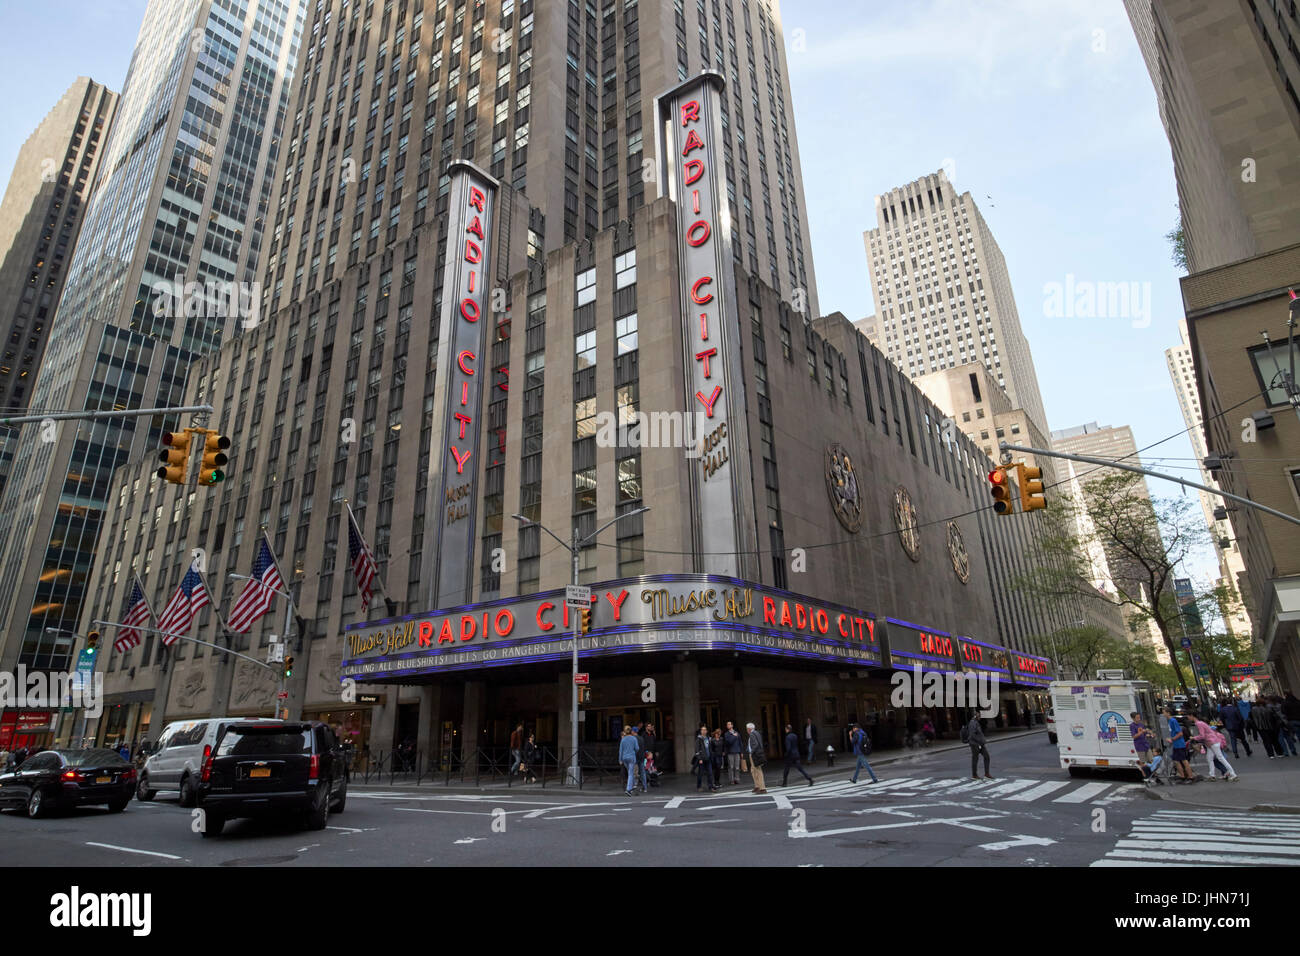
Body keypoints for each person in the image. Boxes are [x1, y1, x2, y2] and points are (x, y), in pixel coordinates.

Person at [1190, 717, 1238, 781]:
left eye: (1188, 716)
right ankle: (1212, 775)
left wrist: (1194, 738)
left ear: (1191, 716)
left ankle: (1233, 774)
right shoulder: (1203, 724)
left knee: (1219, 758)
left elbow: (1202, 736)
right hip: (1212, 743)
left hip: (1212, 743)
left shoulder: (1199, 724)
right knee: (1211, 758)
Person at [1163, 706, 1195, 781]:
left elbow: (1180, 733)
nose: (1163, 714)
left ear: (1168, 713)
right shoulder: (1170, 721)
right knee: (1176, 760)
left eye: (1164, 712)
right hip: (1176, 744)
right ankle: (1182, 775)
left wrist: (1172, 739)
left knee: (1184, 760)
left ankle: (1190, 776)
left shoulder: (1173, 721)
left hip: (1179, 744)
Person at [1130, 712, 1158, 784]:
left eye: (1139, 717)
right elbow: (1134, 736)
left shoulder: (1141, 724)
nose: (1139, 719)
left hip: (1146, 745)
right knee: (1142, 762)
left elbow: (1145, 734)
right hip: (1139, 746)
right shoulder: (1132, 726)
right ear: (1133, 718)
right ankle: (1146, 777)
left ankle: (1154, 776)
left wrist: (1151, 735)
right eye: (1137, 718)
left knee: (1151, 760)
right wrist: (1141, 732)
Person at [967, 712, 992, 780]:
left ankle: (987, 774)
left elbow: (978, 733)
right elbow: (972, 735)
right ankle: (974, 775)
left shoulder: (976, 722)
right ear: (975, 716)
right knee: (975, 759)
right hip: (975, 744)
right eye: (979, 716)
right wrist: (980, 741)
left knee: (987, 756)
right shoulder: (972, 723)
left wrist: (982, 740)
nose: (980, 717)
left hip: (980, 744)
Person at [744, 722, 768, 794]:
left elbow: (755, 745)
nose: (746, 730)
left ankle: (762, 788)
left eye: (747, 729)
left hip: (755, 754)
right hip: (757, 754)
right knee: (753, 770)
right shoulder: (757, 733)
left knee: (757, 770)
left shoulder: (752, 734)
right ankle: (757, 786)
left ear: (749, 729)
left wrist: (752, 752)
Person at [694, 725, 718, 791]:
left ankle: (711, 786)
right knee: (700, 774)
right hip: (702, 759)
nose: (704, 731)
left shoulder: (708, 738)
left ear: (707, 731)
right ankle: (699, 786)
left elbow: (710, 748)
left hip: (708, 758)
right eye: (702, 730)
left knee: (710, 773)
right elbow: (697, 750)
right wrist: (700, 758)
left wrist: (712, 754)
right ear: (701, 731)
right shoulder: (698, 739)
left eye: (705, 730)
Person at [619, 726, 639, 796]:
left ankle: (632, 786)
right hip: (631, 757)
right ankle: (628, 789)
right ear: (631, 731)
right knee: (631, 773)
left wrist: (620, 759)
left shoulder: (623, 739)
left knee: (629, 772)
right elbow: (637, 748)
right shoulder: (634, 738)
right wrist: (633, 751)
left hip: (624, 758)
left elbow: (620, 751)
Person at [724, 720, 742, 785]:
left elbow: (740, 742)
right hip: (730, 752)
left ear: (732, 725)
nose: (728, 726)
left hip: (737, 751)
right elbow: (729, 742)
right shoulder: (726, 734)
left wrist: (741, 752)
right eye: (727, 725)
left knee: (737, 767)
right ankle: (731, 780)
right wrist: (734, 736)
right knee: (731, 767)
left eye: (729, 724)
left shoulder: (737, 733)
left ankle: (737, 779)